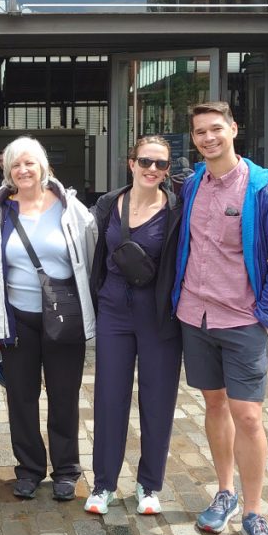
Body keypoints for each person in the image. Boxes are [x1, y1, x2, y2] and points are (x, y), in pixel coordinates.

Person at [173, 101, 268, 535]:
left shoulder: (264, 189)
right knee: (213, 403)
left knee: (248, 415)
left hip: (242, 321)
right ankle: (223, 492)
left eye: (215, 129)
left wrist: (263, 315)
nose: (208, 138)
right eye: (200, 132)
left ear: (233, 129)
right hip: (196, 317)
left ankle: (253, 512)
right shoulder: (192, 185)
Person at [0, 136, 96, 501]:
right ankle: (28, 468)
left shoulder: (70, 209)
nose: (23, 170)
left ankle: (66, 469)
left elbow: (90, 262)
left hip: (63, 318)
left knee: (64, 395)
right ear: (7, 171)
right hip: (18, 319)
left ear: (43, 165)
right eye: (16, 165)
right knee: (21, 397)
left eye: (29, 162)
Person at [84, 136, 182, 515]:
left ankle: (149, 485)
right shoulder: (110, 204)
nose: (152, 169)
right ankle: (104, 483)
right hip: (114, 312)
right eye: (145, 161)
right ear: (131, 163)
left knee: (157, 400)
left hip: (158, 316)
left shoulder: (176, 208)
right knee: (110, 397)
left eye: (161, 164)